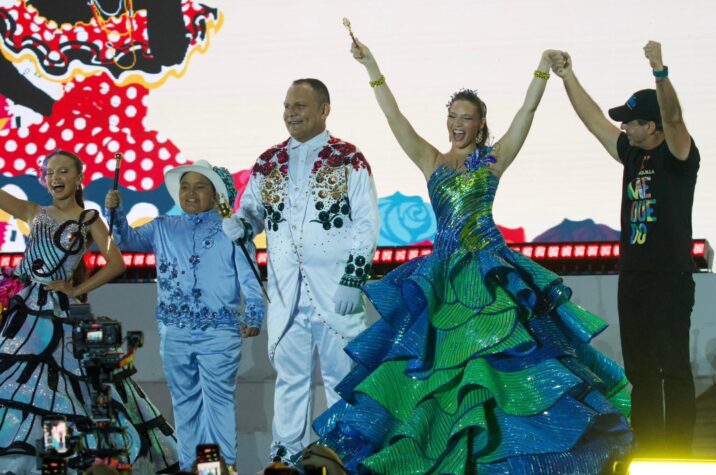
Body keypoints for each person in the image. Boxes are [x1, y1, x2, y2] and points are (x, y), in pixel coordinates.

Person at [307, 39, 635, 474]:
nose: (457, 124)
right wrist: (372, 67)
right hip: (443, 282)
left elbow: (526, 113)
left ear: (480, 125)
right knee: (434, 377)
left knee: (496, 373)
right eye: (452, 116)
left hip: (490, 275)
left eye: (466, 117)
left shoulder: (492, 161)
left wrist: (541, 68)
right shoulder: (431, 160)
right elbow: (394, 117)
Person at [549, 41, 699, 456]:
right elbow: (594, 120)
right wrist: (567, 77)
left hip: (670, 276)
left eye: (632, 123)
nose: (624, 128)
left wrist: (660, 72)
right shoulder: (632, 155)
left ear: (652, 126)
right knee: (642, 371)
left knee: (673, 368)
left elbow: (674, 117)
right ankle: (649, 451)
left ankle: (679, 453)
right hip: (633, 277)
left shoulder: (678, 154)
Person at [222, 78, 380, 461]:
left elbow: (367, 221)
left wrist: (353, 278)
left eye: (300, 106)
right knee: (290, 379)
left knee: (342, 378)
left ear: (324, 110)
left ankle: (344, 457)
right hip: (286, 293)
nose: (291, 113)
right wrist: (241, 225)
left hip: (336, 292)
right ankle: (286, 458)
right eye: (287, 106)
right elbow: (252, 215)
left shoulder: (348, 158)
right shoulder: (268, 162)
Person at [0, 150, 178, 474]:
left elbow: (117, 263)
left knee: (58, 391)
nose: (55, 178)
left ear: (79, 177)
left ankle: (57, 463)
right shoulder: (33, 211)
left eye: (63, 171)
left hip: (59, 318)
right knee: (21, 385)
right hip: (23, 315)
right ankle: (21, 465)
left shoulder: (89, 219)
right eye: (50, 172)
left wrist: (75, 289)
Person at [104, 160, 266, 470]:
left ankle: (219, 469)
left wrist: (254, 314)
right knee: (185, 401)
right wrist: (115, 211)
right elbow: (125, 240)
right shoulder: (162, 226)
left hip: (219, 331)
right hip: (174, 331)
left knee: (218, 401)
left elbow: (250, 277)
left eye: (199, 187)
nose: (190, 193)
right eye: (185, 187)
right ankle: (191, 466)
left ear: (215, 194)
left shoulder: (231, 230)